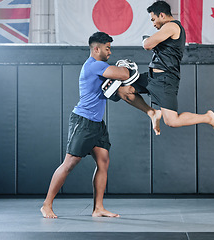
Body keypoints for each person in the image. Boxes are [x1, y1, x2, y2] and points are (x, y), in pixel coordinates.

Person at [40, 32, 139, 218]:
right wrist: (125, 67)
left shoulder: (100, 66)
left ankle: (98, 208)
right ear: (96, 49)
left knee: (103, 162)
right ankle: (47, 205)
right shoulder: (94, 65)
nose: (110, 52)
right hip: (83, 121)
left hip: (97, 123)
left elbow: (120, 80)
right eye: (107, 48)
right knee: (69, 163)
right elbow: (124, 74)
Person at [117, 0, 214, 130]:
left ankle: (208, 117)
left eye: (153, 19)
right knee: (124, 90)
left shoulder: (171, 26)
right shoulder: (167, 30)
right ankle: (152, 113)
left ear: (162, 15)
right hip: (153, 77)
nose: (153, 23)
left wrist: (145, 39)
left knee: (172, 121)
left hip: (165, 80)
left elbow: (147, 45)